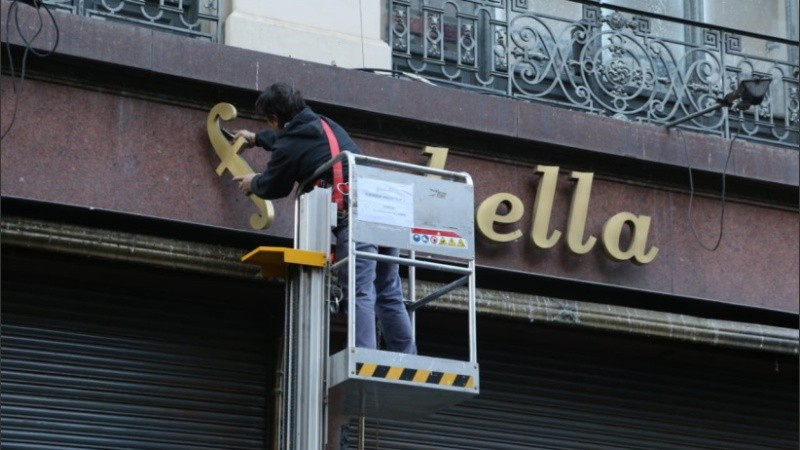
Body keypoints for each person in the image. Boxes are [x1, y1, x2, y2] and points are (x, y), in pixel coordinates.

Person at [232, 83, 417, 355]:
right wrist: (257, 138)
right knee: (388, 292)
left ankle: (363, 357)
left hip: (356, 217)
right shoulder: (323, 123)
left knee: (359, 290)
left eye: (268, 122)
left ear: (274, 118)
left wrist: (254, 182)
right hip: (385, 209)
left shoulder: (289, 146)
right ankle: (406, 356)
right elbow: (292, 141)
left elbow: (275, 185)